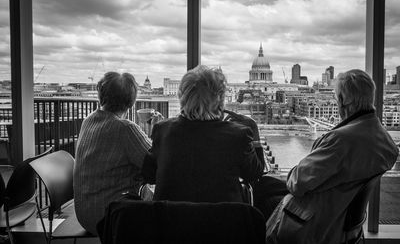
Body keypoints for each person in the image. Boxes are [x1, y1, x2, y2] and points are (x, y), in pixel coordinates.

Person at [265, 69, 399, 244]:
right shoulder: (385, 140)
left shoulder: (341, 140)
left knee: (263, 191)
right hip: (347, 223)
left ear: (343, 101)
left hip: (318, 224)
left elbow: (297, 183)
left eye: (336, 99)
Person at [141, 65, 265, 203]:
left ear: (182, 96)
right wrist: (253, 129)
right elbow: (256, 174)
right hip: (223, 222)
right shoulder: (238, 135)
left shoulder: (163, 130)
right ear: (220, 98)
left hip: (172, 221)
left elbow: (149, 175)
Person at [74, 72, 160, 235]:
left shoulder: (89, 120)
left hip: (86, 213)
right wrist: (157, 130)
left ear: (101, 95)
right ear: (131, 101)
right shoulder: (124, 128)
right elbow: (155, 168)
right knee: (170, 213)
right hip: (110, 216)